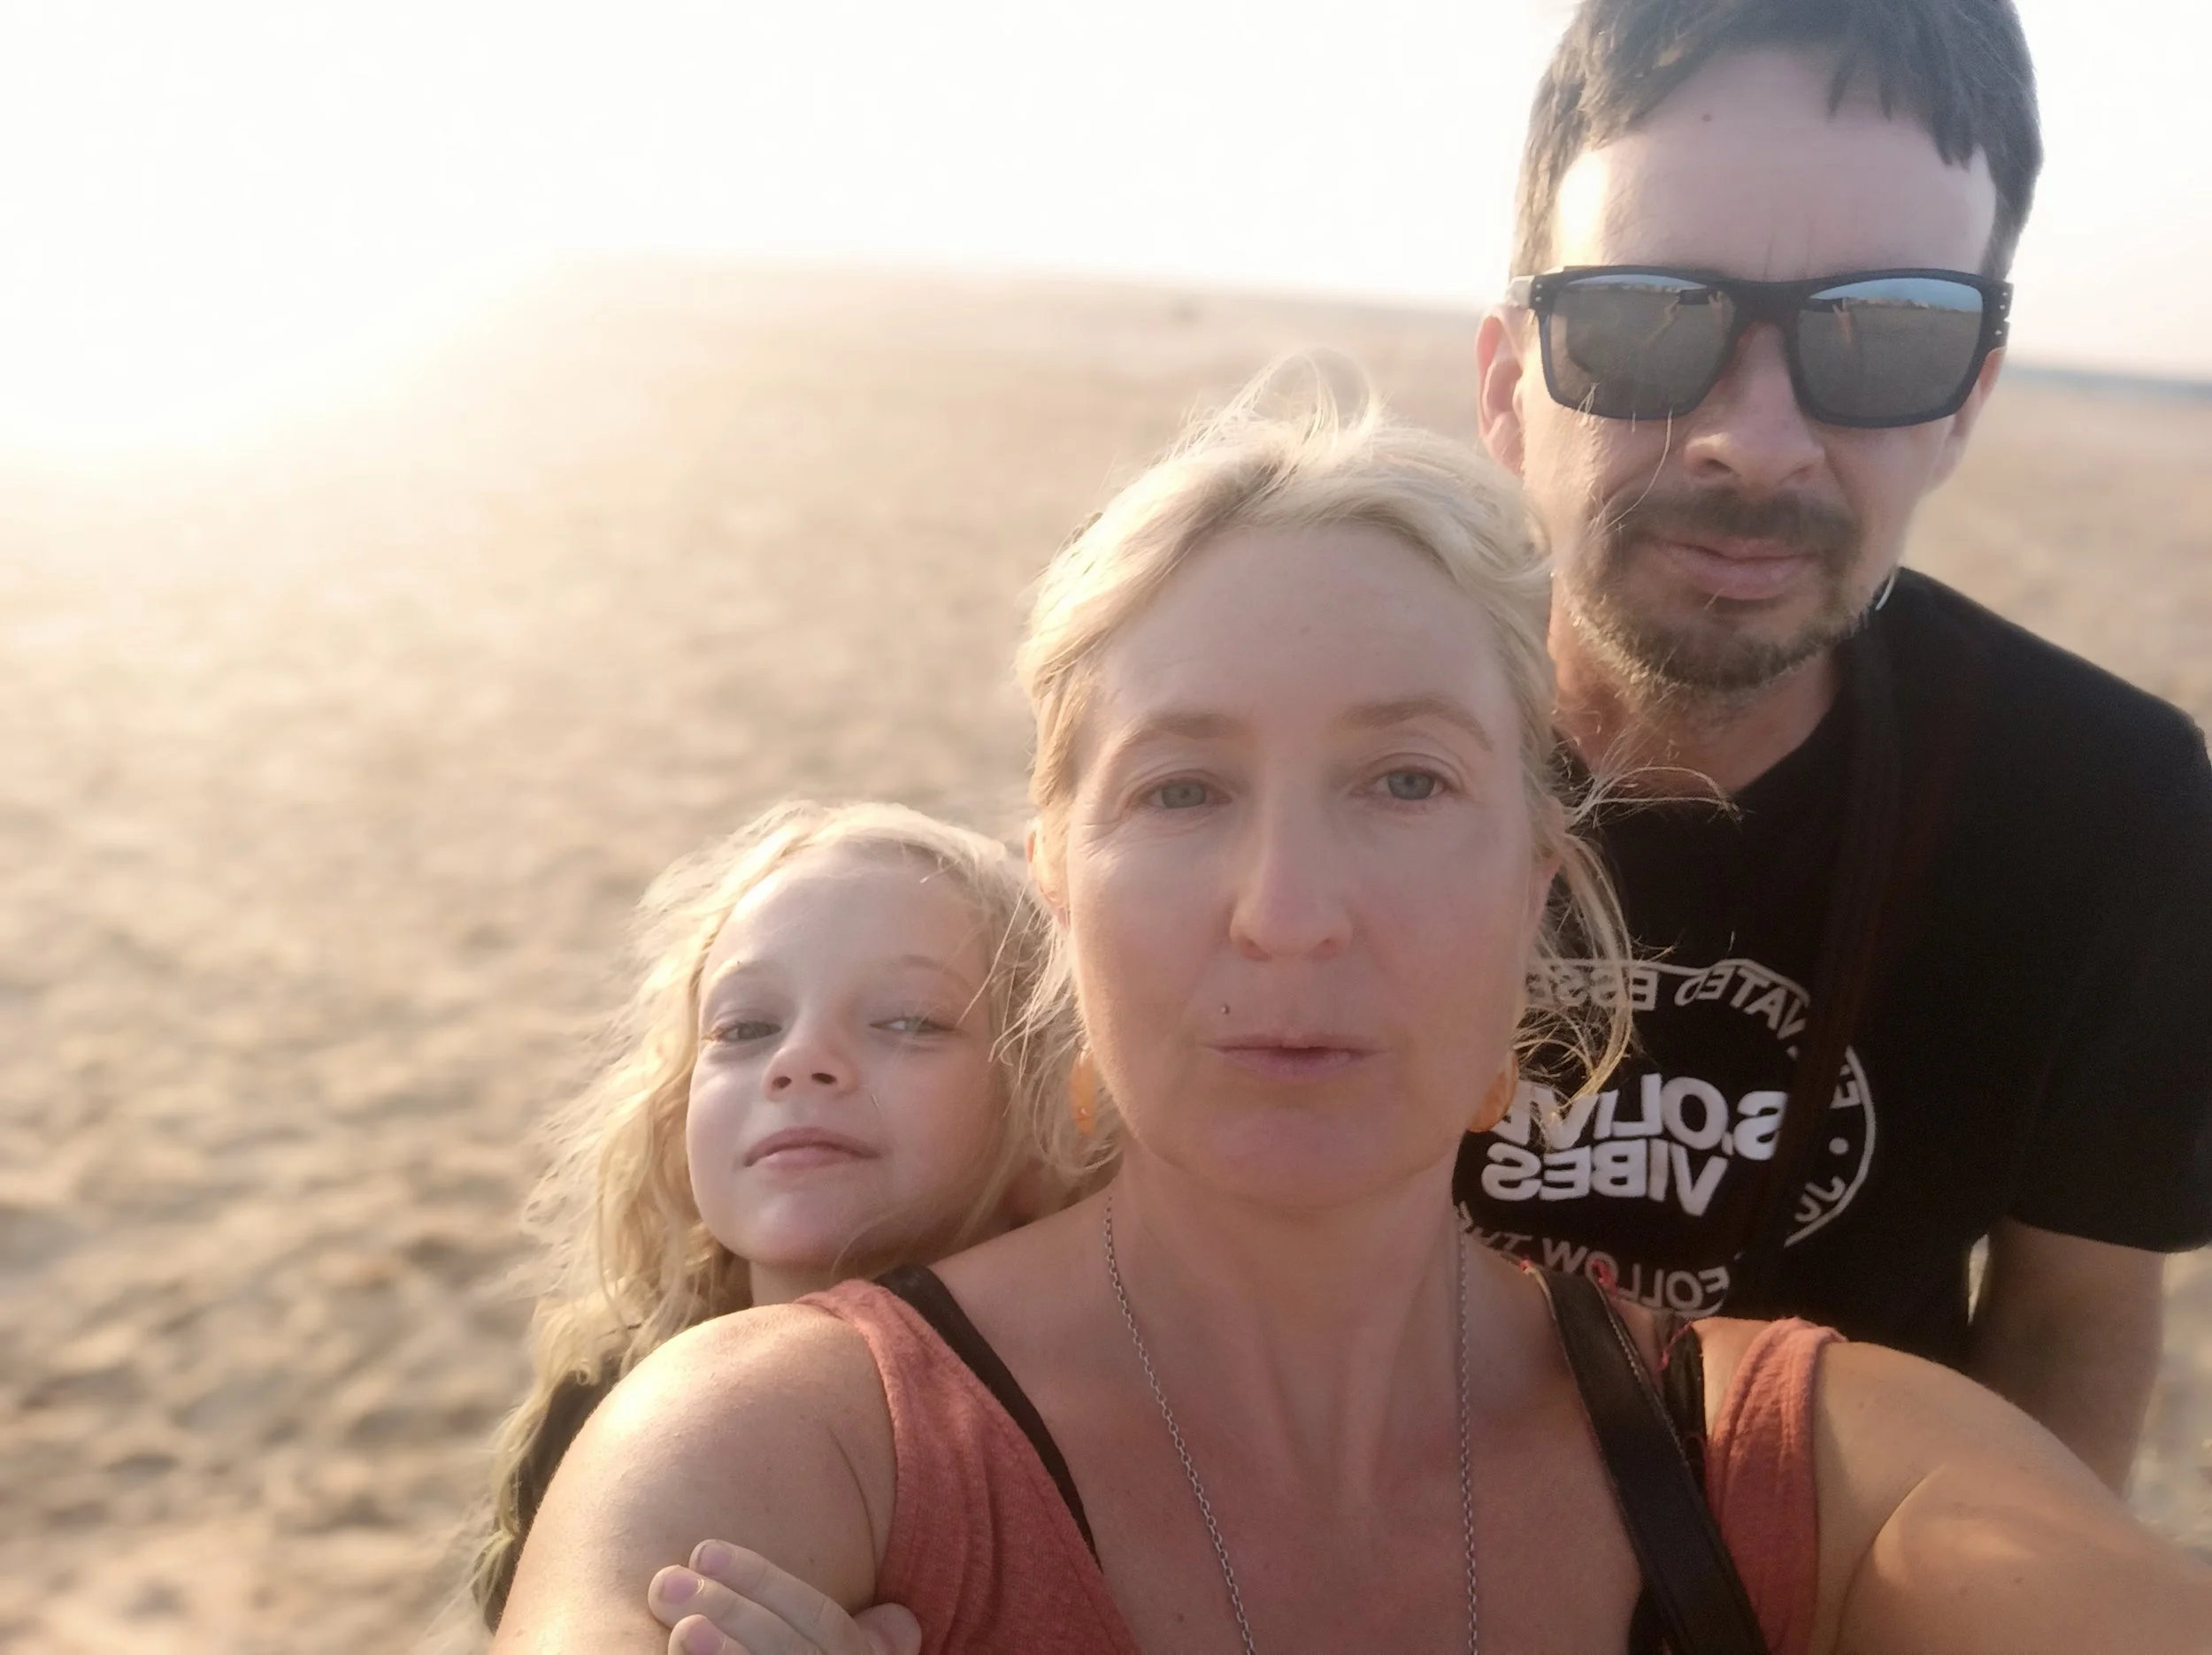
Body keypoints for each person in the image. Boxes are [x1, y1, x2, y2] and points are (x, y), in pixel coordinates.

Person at [495, 387, 2212, 1654]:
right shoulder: (779, 1459)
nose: (1288, 907)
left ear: (1539, 882)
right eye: (1178, 789)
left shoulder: (1818, 1478)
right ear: (1057, 889)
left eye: (1402, 776)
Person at [1462, 0, 2212, 1490]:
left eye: (1885, 335)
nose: (1759, 436)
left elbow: (2072, 1320)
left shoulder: (2104, 808)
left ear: (1966, 402)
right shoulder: (1308, 730)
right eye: (1646, 318)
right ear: (1506, 384)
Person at [466, 800, 1076, 1628]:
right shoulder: (603, 1403)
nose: (799, 1061)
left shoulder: (1092, 1434)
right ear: (677, 1104)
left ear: (1040, 1109)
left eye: (907, 1020)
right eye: (746, 1026)